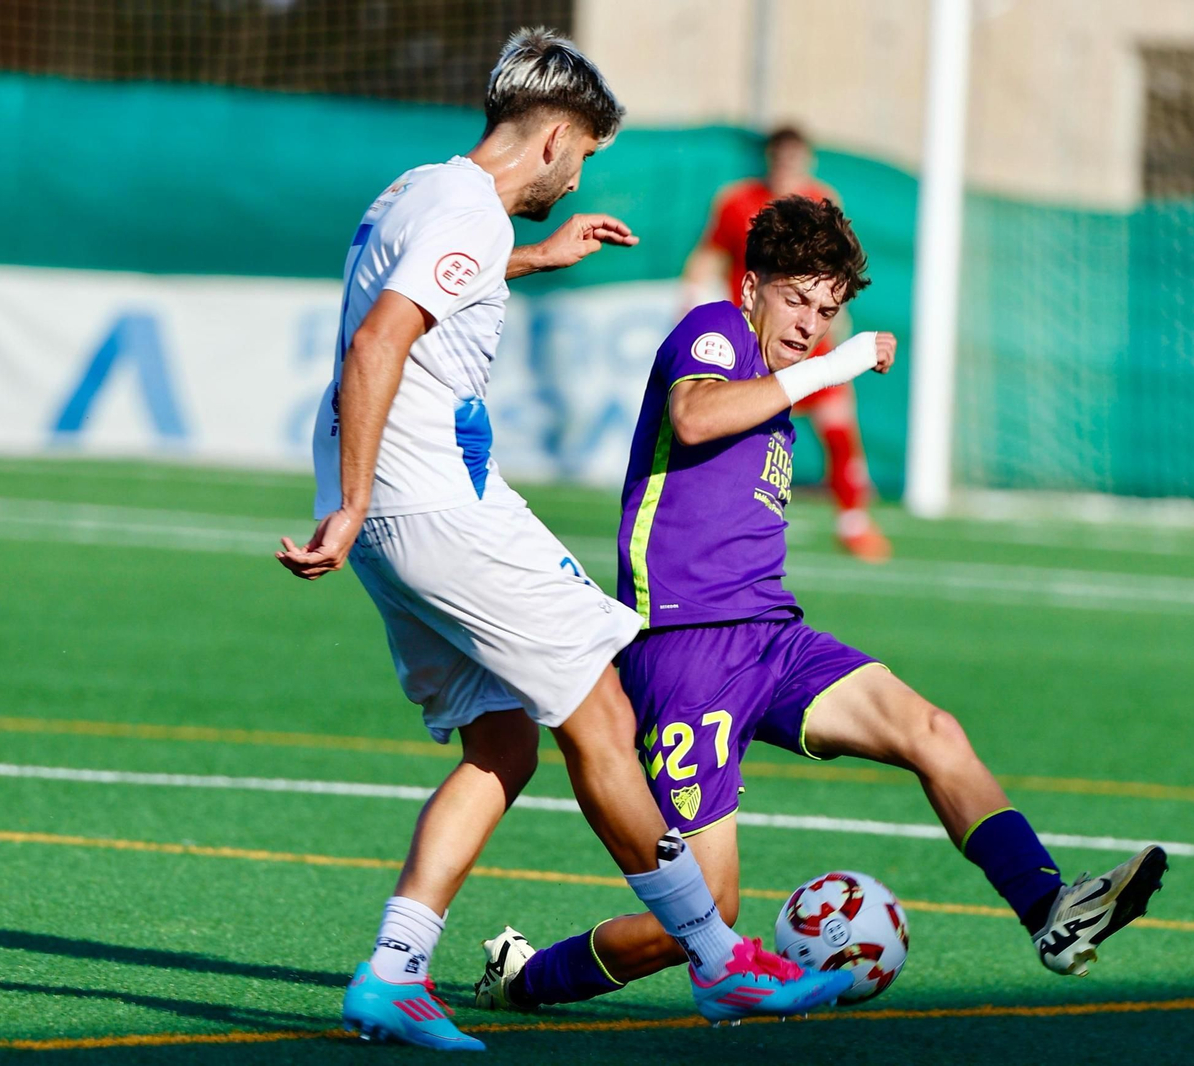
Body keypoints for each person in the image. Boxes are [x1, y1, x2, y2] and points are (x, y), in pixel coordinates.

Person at [275, 29, 851, 1051]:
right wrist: (358, 499)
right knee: (599, 708)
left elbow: (420, 292)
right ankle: (721, 964)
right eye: (581, 153)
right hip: (433, 500)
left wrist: (536, 255)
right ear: (548, 139)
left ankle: (393, 971)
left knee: (502, 743)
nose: (578, 173)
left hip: (396, 515)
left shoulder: (420, 192)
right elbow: (378, 342)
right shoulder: (460, 209)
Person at [474, 196, 1167, 1014]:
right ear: (754, 284)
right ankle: (525, 978)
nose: (810, 323)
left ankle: (1049, 908)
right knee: (706, 921)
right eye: (797, 298)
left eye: (828, 310)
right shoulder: (715, 332)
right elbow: (694, 418)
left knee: (932, 731)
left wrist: (808, 374)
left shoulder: (777, 384)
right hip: (686, 656)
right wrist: (832, 366)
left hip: (773, 638)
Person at [684, 125, 891, 562]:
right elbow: (710, 253)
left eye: (795, 159)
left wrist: (836, 325)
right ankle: (712, 519)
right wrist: (690, 297)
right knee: (735, 430)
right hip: (753, 340)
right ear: (770, 160)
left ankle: (853, 522)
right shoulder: (737, 201)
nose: (787, 168)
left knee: (838, 426)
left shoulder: (822, 201)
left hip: (807, 341)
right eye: (781, 159)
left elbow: (838, 275)